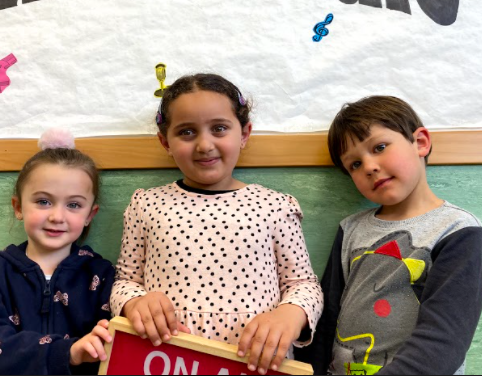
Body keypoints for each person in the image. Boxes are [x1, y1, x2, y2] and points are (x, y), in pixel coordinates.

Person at [111, 73, 323, 375]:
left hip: (255, 364)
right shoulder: (146, 205)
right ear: (165, 141)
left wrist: (290, 315)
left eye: (219, 128)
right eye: (187, 132)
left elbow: (303, 284)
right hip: (165, 360)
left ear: (244, 133)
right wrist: (135, 303)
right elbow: (125, 280)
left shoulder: (275, 207)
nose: (204, 144)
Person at [300, 96, 482, 375]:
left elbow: (443, 341)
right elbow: (326, 321)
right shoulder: (350, 229)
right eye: (354, 164)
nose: (369, 167)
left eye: (379, 147)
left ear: (420, 143)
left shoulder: (459, 231)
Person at [0, 128, 115, 375]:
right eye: (43, 201)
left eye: (74, 204)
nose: (57, 216)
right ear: (18, 207)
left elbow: (115, 348)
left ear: (89, 215)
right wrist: (67, 353)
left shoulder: (102, 275)